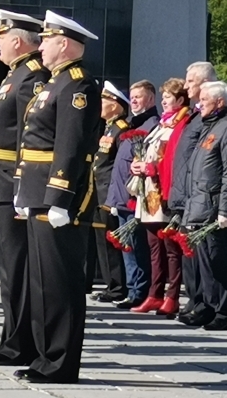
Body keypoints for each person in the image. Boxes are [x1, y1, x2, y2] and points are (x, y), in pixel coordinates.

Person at [13, 10, 101, 384]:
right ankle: (45, 356)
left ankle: (61, 363)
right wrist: (23, 188)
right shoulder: (55, 83)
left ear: (63, 43)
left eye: (47, 39)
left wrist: (59, 198)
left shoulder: (78, 87)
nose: (41, 46)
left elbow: (70, 147)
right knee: (41, 281)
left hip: (57, 197)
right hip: (37, 191)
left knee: (59, 283)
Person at [0, 10, 50, 367]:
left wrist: (20, 182)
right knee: (9, 267)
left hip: (9, 181)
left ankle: (19, 342)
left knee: (17, 268)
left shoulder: (31, 77)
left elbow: (27, 135)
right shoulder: (14, 76)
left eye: (1, 37)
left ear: (16, 40)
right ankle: (10, 337)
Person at [179, 81, 227, 331]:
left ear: (220, 102)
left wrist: (226, 209)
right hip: (199, 205)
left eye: (204, 100)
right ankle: (208, 305)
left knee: (219, 261)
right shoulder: (211, 126)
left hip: (214, 206)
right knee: (204, 262)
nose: (199, 104)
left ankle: (223, 312)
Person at [130, 78, 190, 315]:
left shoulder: (181, 124)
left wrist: (152, 168)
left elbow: (175, 159)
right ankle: (154, 294)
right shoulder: (162, 124)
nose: (164, 101)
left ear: (181, 100)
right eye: (163, 97)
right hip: (150, 193)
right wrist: (138, 164)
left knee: (170, 247)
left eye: (168, 97)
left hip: (166, 191)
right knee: (154, 246)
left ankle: (172, 296)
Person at [167, 61, 217, 318]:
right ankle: (194, 300)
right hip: (185, 195)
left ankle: (203, 304)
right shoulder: (195, 116)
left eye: (190, 82)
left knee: (202, 256)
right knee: (189, 254)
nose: (185, 87)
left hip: (198, 197)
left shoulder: (211, 119)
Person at [105, 80, 159, 310]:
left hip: (136, 198)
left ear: (151, 99)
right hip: (122, 196)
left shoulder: (151, 125)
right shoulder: (131, 124)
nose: (134, 100)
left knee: (137, 247)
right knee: (127, 246)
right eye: (133, 96)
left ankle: (139, 291)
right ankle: (132, 288)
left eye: (139, 96)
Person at [90, 81, 130, 304]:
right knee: (102, 243)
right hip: (99, 192)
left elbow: (118, 166)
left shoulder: (122, 130)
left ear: (116, 105)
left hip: (110, 194)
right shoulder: (107, 128)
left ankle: (117, 287)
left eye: (105, 100)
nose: (101, 104)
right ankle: (110, 284)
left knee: (112, 242)